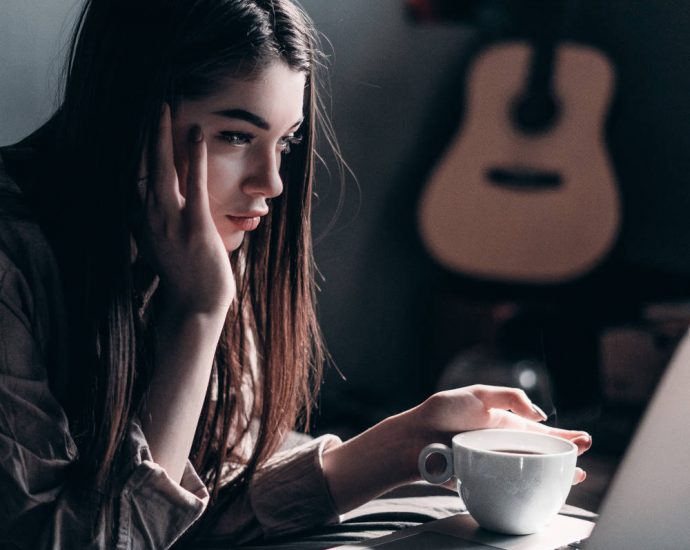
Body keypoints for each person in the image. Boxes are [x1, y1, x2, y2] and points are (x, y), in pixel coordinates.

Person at [0, 0, 592, 548]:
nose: (271, 183)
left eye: (285, 142)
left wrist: (404, 443)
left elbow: (198, 503)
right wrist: (200, 315)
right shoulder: (15, 265)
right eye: (236, 135)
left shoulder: (198, 249)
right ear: (127, 115)